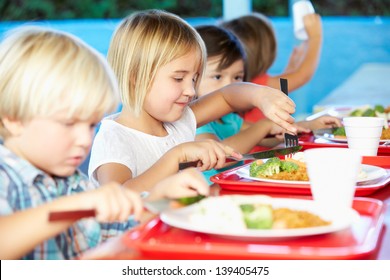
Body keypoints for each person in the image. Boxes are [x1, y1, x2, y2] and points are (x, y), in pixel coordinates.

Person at [0, 26, 209, 260]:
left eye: (90, 125)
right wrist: (73, 208)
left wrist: (159, 200)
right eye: (69, 123)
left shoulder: (72, 183)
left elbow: (114, 230)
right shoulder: (6, 178)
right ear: (14, 119)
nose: (84, 140)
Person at [88, 9, 297, 192]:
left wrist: (261, 96)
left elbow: (228, 97)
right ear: (135, 77)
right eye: (178, 78)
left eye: (195, 78)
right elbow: (118, 197)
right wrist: (176, 156)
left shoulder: (179, 121)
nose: (190, 90)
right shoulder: (114, 138)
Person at [194, 25, 341, 183]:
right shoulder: (195, 122)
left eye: (237, 77)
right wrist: (265, 125)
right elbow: (224, 155)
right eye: (217, 77)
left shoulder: (229, 118)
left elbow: (263, 138)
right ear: (192, 76)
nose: (229, 85)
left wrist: (305, 126)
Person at [221, 12, 323, 123]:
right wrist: (315, 37)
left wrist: (292, 67)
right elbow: (303, 76)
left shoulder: (243, 84)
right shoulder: (257, 85)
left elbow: (282, 86)